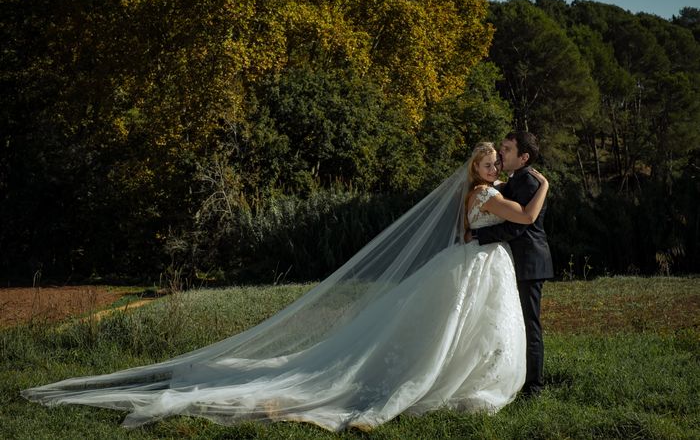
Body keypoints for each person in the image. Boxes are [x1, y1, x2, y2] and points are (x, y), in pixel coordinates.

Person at [22, 142, 549, 431]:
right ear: (474, 169)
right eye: (485, 161)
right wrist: (543, 184)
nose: (492, 163)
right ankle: (461, 382)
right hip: (478, 266)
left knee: (459, 329)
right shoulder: (486, 193)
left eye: (494, 158)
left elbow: (482, 221)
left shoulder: (474, 194)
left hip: (472, 262)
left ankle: (467, 375)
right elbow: (524, 218)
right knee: (461, 330)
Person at [471, 132, 553, 398]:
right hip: (514, 261)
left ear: (524, 157)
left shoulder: (530, 181)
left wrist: (478, 237)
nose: (501, 153)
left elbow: (517, 226)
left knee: (530, 325)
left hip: (530, 261)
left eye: (507, 149)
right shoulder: (515, 180)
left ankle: (535, 388)